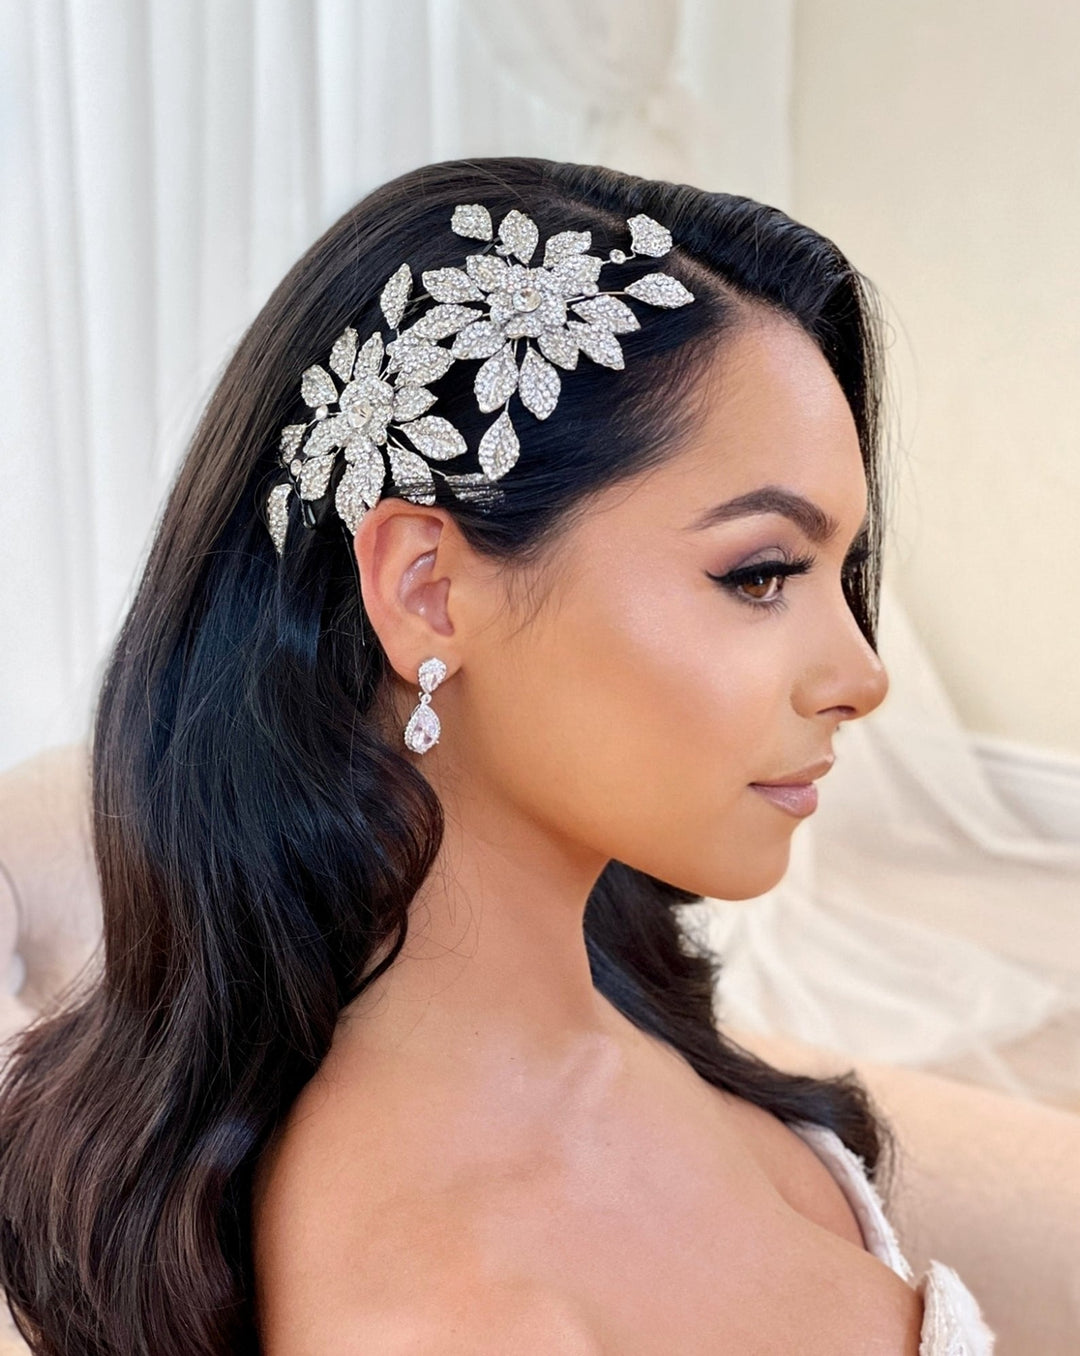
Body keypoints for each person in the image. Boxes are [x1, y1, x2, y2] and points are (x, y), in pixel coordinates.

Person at [0, 157, 995, 1354]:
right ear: (428, 591)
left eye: (841, 576)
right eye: (761, 573)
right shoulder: (443, 1312)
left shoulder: (620, 1025)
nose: (863, 675)